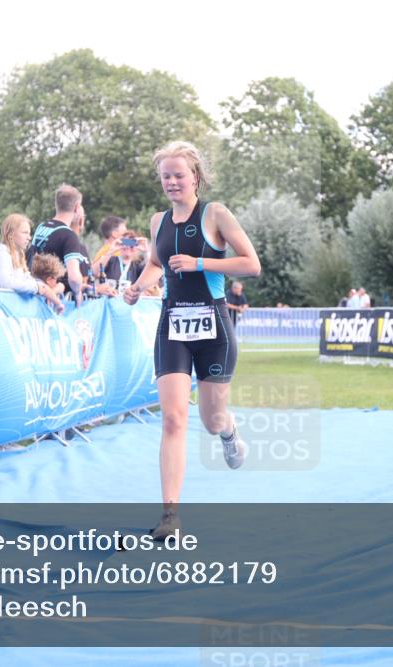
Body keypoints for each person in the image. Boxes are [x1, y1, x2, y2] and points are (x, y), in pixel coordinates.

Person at [123, 141, 261, 539]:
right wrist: (138, 287)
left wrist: (200, 263)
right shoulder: (156, 221)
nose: (171, 182)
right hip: (172, 326)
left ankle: (229, 431)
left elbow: (251, 264)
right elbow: (155, 263)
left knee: (211, 417)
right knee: (173, 417)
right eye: (165, 176)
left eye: (178, 175)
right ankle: (170, 516)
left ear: (196, 177)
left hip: (214, 325)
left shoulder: (215, 214)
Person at [0, 214, 63, 311]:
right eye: (25, 233)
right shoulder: (2, 254)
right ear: (11, 234)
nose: (29, 237)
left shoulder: (17, 255)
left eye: (29, 233)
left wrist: (43, 289)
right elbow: (6, 282)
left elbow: (30, 282)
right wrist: (35, 287)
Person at [30, 184, 90, 306]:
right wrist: (77, 292)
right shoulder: (69, 235)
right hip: (54, 300)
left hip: (35, 292)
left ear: (57, 204)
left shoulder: (41, 227)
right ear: (77, 207)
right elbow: (74, 278)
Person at [104, 231, 145, 295]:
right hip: (111, 299)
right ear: (120, 244)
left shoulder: (138, 265)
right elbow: (96, 272)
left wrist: (147, 251)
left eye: (131, 244)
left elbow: (154, 278)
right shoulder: (111, 260)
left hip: (130, 302)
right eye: (125, 242)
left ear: (136, 246)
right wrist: (110, 251)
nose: (128, 247)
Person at [91, 215, 129, 279]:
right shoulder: (107, 251)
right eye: (125, 233)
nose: (127, 236)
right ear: (114, 234)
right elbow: (95, 273)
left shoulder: (106, 250)